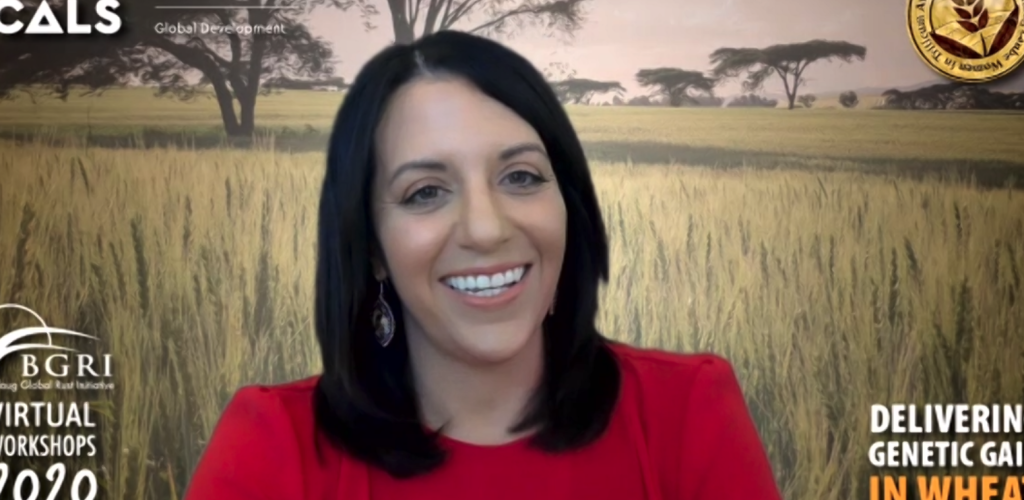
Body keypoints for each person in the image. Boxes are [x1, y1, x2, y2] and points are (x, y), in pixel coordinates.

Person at [183, 30, 782, 500]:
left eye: (520, 177)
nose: (487, 229)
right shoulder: (274, 448)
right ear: (371, 247)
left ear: (567, 206)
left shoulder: (685, 416)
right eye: (425, 192)